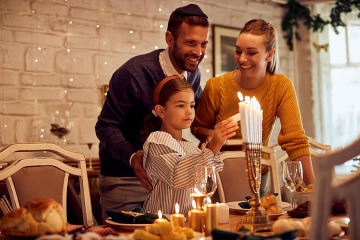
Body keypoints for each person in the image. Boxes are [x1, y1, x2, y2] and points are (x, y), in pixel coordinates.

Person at [95, 4, 209, 219]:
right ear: (169, 39)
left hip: (169, 182)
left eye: (203, 44)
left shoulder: (193, 76)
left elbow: (194, 119)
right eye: (191, 43)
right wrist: (132, 157)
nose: (198, 52)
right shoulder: (132, 73)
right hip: (126, 181)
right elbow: (106, 126)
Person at [190, 19, 315, 187]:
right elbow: (196, 127)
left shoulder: (281, 86)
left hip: (258, 177)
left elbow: (295, 140)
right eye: (238, 51)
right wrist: (212, 134)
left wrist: (314, 189)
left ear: (269, 55)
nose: (242, 59)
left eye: (251, 53)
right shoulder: (216, 86)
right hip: (217, 175)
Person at [141, 75, 239, 215]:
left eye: (192, 105)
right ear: (161, 111)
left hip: (191, 220)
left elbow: (207, 178)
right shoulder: (156, 140)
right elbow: (177, 177)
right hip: (163, 222)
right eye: (181, 105)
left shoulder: (191, 147)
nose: (189, 111)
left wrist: (214, 147)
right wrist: (212, 148)